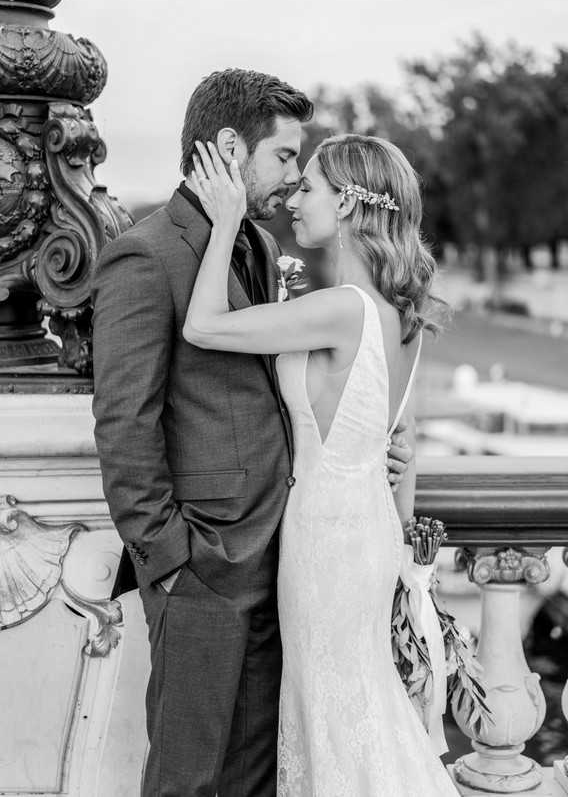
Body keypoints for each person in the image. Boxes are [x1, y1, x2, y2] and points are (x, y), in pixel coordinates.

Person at [91, 69, 412, 797]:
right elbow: (124, 421)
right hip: (202, 567)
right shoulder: (148, 254)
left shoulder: (258, 250)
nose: (294, 178)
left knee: (255, 780)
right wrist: (169, 558)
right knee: (188, 779)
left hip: (286, 561)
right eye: (285, 157)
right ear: (232, 147)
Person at [184, 133, 457, 796]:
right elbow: (403, 439)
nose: (294, 201)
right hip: (364, 529)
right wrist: (402, 522)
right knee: (353, 704)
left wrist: (224, 224)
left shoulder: (341, 310)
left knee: (333, 710)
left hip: (327, 540)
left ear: (353, 205)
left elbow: (203, 327)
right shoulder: (402, 314)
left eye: (309, 188)